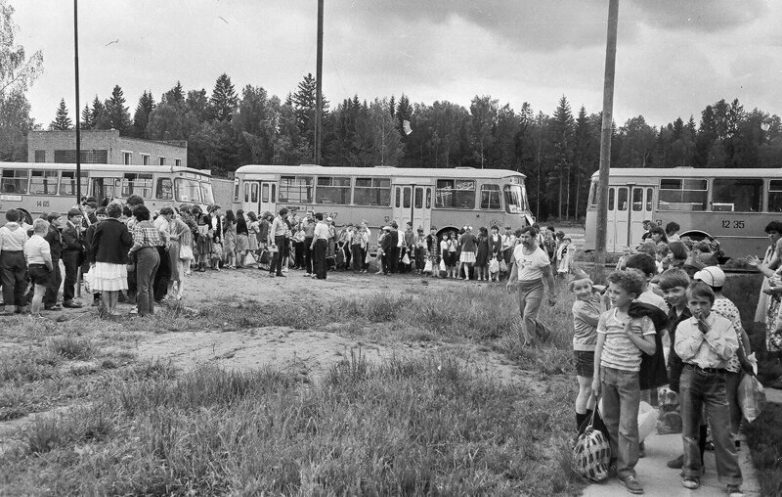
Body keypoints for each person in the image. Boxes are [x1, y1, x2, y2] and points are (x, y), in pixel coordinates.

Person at [675, 282, 743, 496]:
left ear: (711, 304)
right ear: (688, 304)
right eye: (693, 303)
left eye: (703, 303)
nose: (698, 308)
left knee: (723, 432)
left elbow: (728, 352)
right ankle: (691, 472)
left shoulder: (724, 324)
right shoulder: (684, 326)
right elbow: (683, 353)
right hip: (690, 375)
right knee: (690, 430)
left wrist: (710, 333)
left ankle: (732, 481)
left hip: (716, 379)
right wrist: (699, 334)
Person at [592, 270, 656, 495]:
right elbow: (599, 348)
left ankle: (627, 471)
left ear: (632, 295)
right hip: (607, 374)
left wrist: (631, 334)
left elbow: (651, 348)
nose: (611, 295)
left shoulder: (643, 319)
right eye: (610, 290)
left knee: (628, 427)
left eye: (616, 292)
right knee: (610, 422)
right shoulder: (607, 316)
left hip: (629, 377)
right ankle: (614, 462)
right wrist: (595, 378)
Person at [694, 266, 755, 448]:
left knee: (723, 401)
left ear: (707, 285)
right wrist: (747, 357)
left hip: (725, 359)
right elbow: (742, 332)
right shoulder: (728, 303)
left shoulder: (714, 307)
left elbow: (730, 335)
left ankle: (722, 440)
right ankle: (733, 436)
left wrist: (744, 359)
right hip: (735, 358)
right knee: (732, 399)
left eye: (699, 282)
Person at [506, 226, 557, 345]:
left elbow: (549, 275)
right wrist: (511, 280)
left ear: (534, 237)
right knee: (524, 315)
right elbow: (516, 264)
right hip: (521, 286)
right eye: (522, 237)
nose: (523, 240)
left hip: (535, 287)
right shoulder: (518, 249)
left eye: (526, 237)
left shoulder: (540, 256)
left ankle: (529, 344)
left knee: (528, 316)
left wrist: (552, 294)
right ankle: (545, 333)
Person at [570, 274, 604, 433]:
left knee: (594, 391)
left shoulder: (592, 299)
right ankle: (580, 429)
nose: (583, 291)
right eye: (578, 288)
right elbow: (601, 321)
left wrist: (597, 290)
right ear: (573, 290)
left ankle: (587, 426)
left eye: (586, 287)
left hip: (596, 349)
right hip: (585, 350)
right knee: (585, 390)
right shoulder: (579, 306)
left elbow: (602, 291)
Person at [90, 202, 134, 317]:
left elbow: (94, 244)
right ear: (120, 214)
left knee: (104, 286)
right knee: (115, 287)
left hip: (102, 259)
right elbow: (128, 242)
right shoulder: (122, 226)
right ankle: (113, 309)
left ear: (107, 212)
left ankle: (106, 309)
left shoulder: (101, 225)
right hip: (117, 260)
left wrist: (92, 259)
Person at [747, 253, 782, 388]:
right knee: (779, 343)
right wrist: (759, 266)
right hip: (777, 306)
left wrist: (774, 289)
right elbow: (775, 276)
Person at [128, 205, 164, 317]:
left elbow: (138, 243)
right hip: (155, 253)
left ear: (136, 216)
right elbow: (159, 240)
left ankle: (143, 312)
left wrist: (130, 251)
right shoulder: (152, 225)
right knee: (149, 285)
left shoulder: (139, 225)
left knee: (142, 285)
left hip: (145, 254)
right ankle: (150, 311)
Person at [753, 221, 782, 323]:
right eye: (769, 233)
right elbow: (765, 264)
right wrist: (761, 265)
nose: (771, 235)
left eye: (774, 233)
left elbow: (771, 265)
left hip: (776, 282)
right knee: (766, 307)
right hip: (768, 279)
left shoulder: (779, 250)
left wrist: (759, 266)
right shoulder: (770, 248)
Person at [23, 219, 53, 317]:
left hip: (31, 267)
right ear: (45, 229)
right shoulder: (43, 242)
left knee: (35, 291)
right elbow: (47, 259)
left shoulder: (28, 241)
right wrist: (51, 268)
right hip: (41, 267)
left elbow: (25, 256)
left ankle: (34, 312)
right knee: (39, 293)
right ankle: (35, 314)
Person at [61, 208, 85, 309]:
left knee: (72, 277)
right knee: (70, 277)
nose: (79, 219)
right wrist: (82, 246)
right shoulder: (68, 229)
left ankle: (70, 298)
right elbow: (72, 243)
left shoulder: (75, 227)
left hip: (74, 255)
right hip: (70, 255)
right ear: (70, 217)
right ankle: (68, 299)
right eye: (77, 217)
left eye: (80, 217)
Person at [43, 212, 63, 311]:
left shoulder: (54, 230)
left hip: (55, 258)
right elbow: (46, 245)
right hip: (51, 259)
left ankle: (53, 301)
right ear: (53, 220)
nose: (61, 221)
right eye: (59, 219)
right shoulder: (50, 231)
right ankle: (49, 304)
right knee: (52, 281)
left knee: (58, 280)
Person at [268, 208, 288, 277]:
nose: (286, 215)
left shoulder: (283, 220)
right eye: (286, 214)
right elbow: (272, 231)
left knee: (280, 256)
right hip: (276, 239)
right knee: (275, 256)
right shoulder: (276, 220)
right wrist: (273, 242)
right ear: (284, 214)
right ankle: (271, 272)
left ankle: (278, 272)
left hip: (282, 238)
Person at [310, 212, 329, 280]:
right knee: (323, 258)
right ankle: (324, 274)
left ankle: (319, 275)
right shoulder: (325, 225)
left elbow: (316, 235)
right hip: (325, 241)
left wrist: (312, 244)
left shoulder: (318, 225)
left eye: (315, 218)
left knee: (318, 258)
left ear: (316, 218)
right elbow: (327, 235)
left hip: (320, 241)